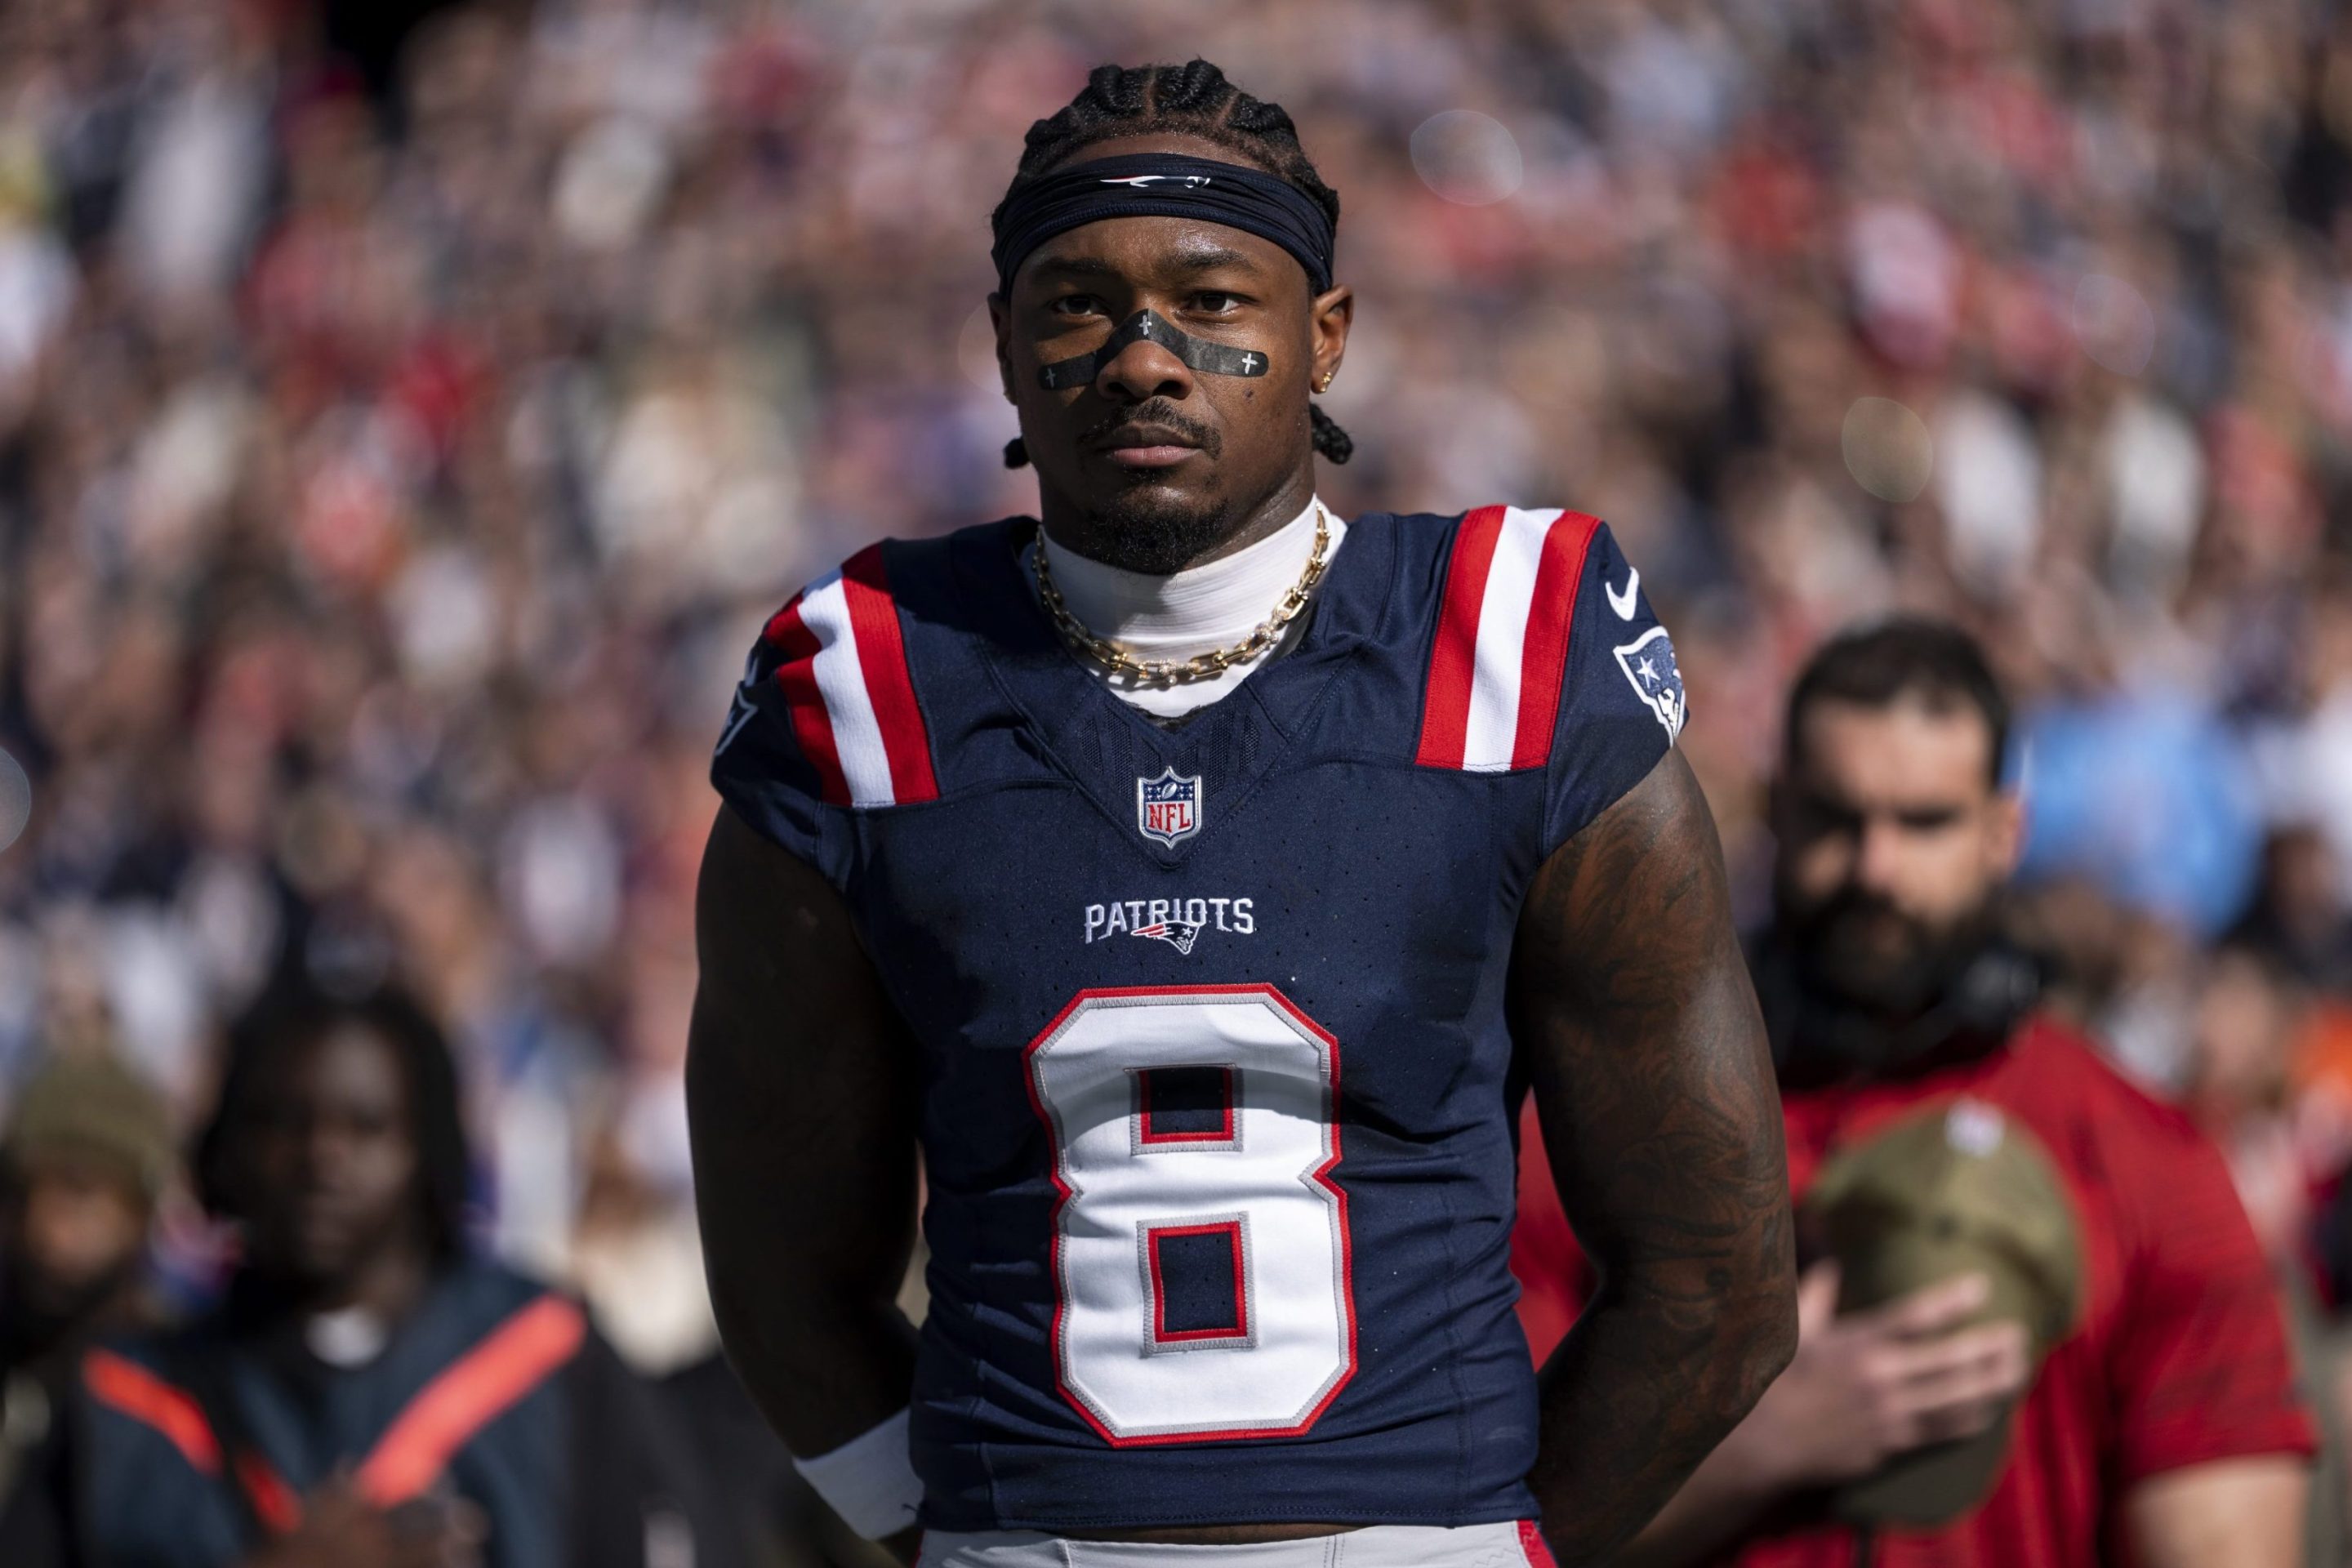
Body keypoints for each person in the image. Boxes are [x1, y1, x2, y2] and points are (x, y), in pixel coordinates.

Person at [689, 57, 1796, 1568]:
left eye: (1212, 302)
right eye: (1077, 305)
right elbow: (779, 1280)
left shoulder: (1510, 643)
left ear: (1324, 336)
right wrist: (953, 1538)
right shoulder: (871, 676)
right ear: (1005, 351)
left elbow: (1718, 1284)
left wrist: (1508, 1555)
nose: (1146, 357)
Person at [1513, 618, 2318, 1567]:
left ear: (2003, 831)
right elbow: (1462, 1525)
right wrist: (1746, 1438)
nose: (1876, 869)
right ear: (1776, 811)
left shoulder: (2145, 1158)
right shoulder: (1590, 1125)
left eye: (1924, 822)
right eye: (1838, 819)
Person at [0, 986, 721, 1568]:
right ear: (230, 1149)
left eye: (367, 1127)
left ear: (425, 1147)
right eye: (283, 1123)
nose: (322, 1161)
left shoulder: (549, 1357)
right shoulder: (124, 1398)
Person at [0, 1054, 176, 1508]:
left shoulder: (171, 1374)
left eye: (91, 1192)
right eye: (51, 1186)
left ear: (140, 1216)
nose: (65, 1222)